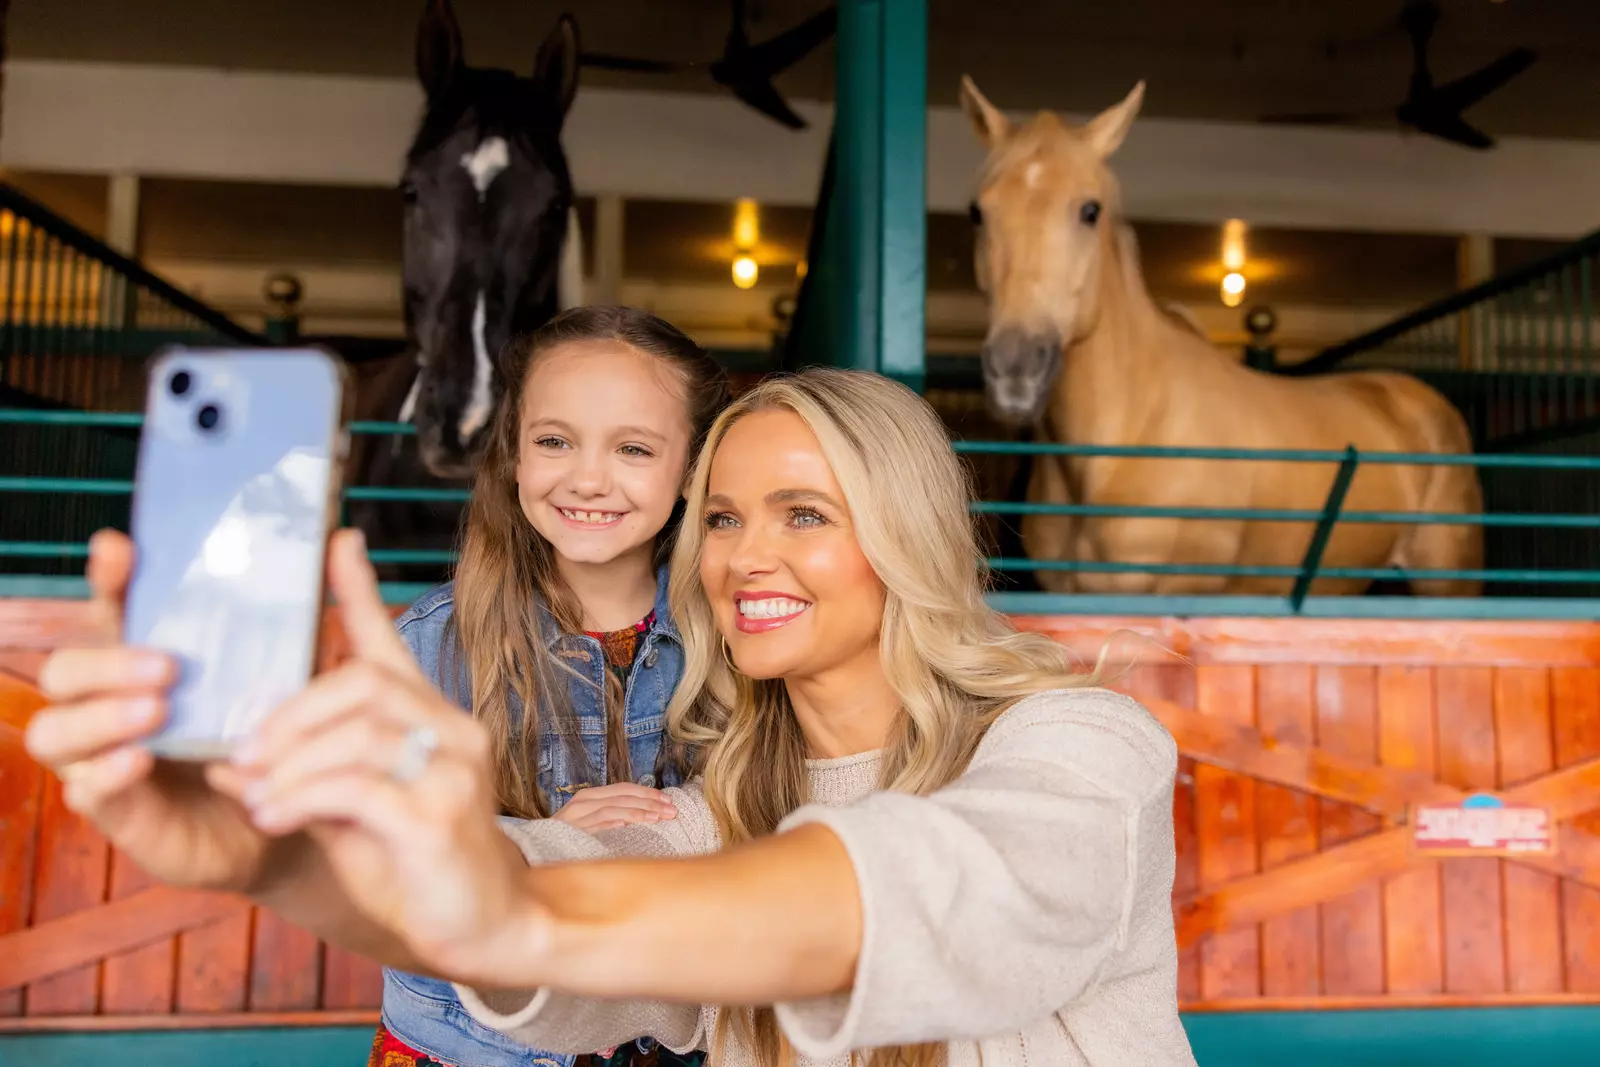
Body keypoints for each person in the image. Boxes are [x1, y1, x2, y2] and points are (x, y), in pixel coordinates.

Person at [28, 368, 1196, 1067]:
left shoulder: (1085, 750)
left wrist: (507, 904)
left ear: (911, 535)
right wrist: (271, 851)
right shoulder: (724, 813)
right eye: (725, 517)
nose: (746, 556)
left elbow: (891, 892)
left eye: (803, 514)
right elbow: (527, 881)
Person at [27, 305, 730, 1067]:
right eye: (554, 440)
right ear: (516, 458)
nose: (587, 476)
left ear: (690, 468)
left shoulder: (734, 643)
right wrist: (544, 846)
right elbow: (372, 857)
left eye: (633, 447)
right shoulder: (426, 646)